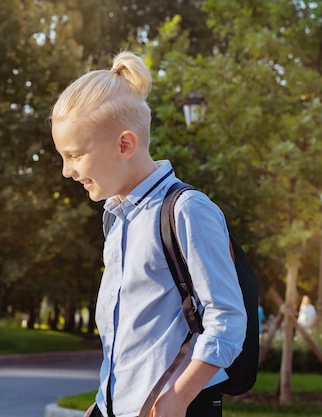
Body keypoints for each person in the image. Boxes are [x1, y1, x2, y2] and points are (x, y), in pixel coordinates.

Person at [50, 51, 246, 417]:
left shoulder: (187, 210)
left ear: (124, 145)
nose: (66, 170)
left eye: (74, 155)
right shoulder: (116, 218)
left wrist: (178, 398)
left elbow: (227, 318)